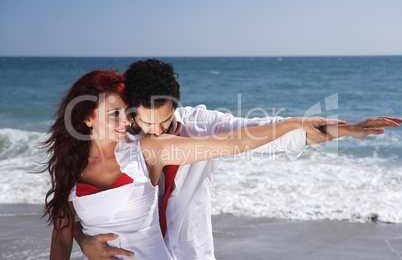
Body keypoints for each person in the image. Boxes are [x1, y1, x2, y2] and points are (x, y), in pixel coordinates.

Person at [73, 59, 402, 260]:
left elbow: (258, 133)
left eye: (165, 119)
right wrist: (83, 240)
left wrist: (342, 130)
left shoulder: (201, 124)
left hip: (191, 254)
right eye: (147, 122)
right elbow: (70, 202)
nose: (158, 131)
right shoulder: (115, 140)